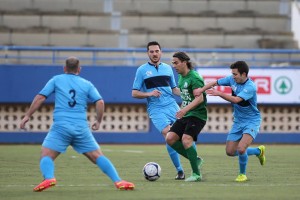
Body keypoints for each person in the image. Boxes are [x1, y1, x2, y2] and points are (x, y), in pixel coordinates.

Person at [20, 56, 135, 191]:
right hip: (81, 128)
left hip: (61, 127)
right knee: (97, 156)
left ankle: (49, 177)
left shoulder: (56, 80)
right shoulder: (86, 84)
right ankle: (118, 181)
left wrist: (27, 115)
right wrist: (98, 121)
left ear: (64, 68)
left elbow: (40, 97)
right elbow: (100, 102)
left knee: (46, 155)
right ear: (79, 69)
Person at [132, 41, 201, 180]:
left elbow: (174, 89)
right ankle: (180, 170)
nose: (154, 54)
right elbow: (134, 93)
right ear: (148, 53)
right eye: (151, 51)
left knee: (186, 135)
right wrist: (149, 94)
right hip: (156, 109)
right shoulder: (141, 70)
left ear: (160, 52)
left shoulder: (168, 69)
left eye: (157, 51)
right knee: (168, 134)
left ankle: (194, 165)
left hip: (172, 106)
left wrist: (188, 95)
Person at [194, 60, 266, 182]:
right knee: (230, 151)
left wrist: (220, 94)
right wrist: (201, 90)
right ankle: (258, 151)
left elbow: (236, 100)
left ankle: (242, 175)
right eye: (232, 74)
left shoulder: (251, 87)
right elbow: (215, 82)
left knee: (241, 148)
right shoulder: (232, 79)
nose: (233, 76)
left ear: (244, 74)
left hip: (252, 121)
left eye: (235, 74)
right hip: (238, 121)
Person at [165, 52, 207, 182]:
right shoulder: (181, 77)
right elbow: (184, 94)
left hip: (198, 115)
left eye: (176, 63)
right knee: (170, 138)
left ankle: (196, 174)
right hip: (187, 114)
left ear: (184, 62)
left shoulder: (194, 78)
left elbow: (199, 99)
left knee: (186, 139)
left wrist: (184, 110)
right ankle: (196, 160)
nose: (174, 66)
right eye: (173, 63)